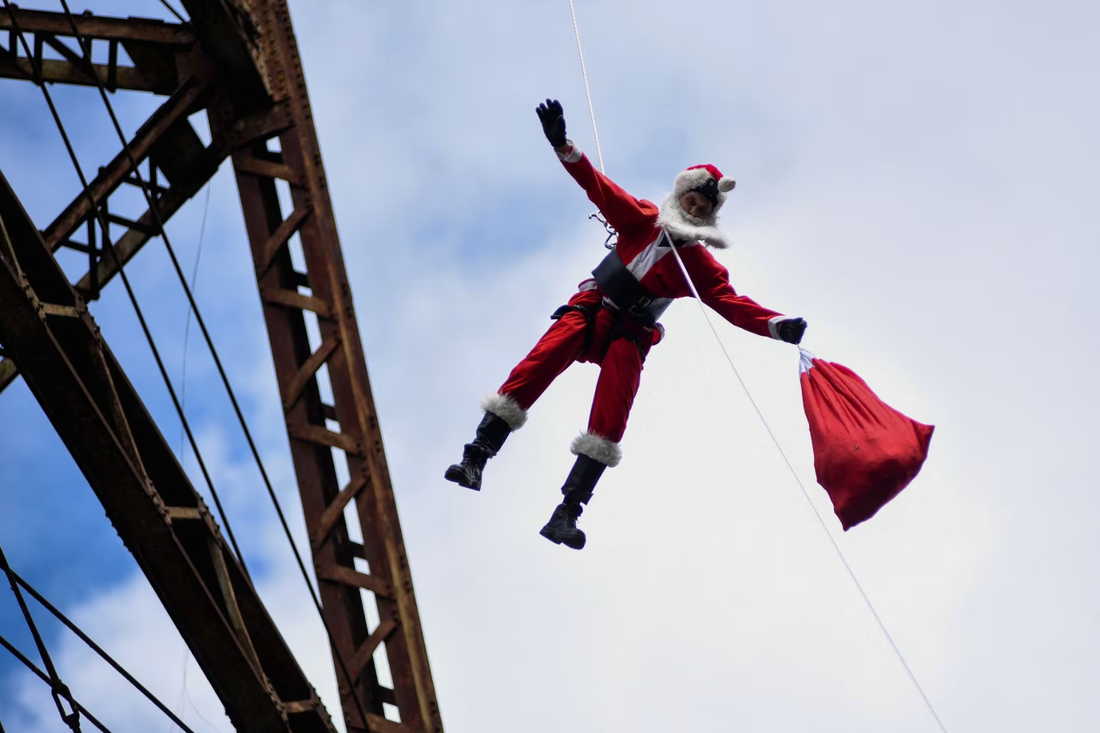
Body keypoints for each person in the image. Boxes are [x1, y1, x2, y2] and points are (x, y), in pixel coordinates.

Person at [444, 99, 807, 550]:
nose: (692, 211)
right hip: (593, 310)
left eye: (700, 208)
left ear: (708, 217)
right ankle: (476, 456)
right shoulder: (640, 219)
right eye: (689, 201)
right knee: (539, 363)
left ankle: (568, 512)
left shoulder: (698, 264)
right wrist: (562, 144)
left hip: (630, 334)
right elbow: (597, 186)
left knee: (611, 415)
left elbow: (731, 304)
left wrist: (777, 325)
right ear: (678, 197)